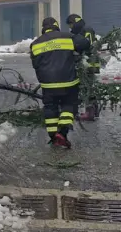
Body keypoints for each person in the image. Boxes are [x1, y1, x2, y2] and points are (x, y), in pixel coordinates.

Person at [33, 16, 91, 148]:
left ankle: (54, 137)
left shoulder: (35, 43)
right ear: (56, 26)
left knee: (50, 108)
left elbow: (36, 65)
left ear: (44, 29)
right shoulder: (67, 36)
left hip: (48, 84)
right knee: (69, 104)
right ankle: (63, 132)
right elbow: (85, 44)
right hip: (68, 81)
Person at [67, 13, 102, 120]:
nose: (70, 28)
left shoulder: (86, 30)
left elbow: (88, 45)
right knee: (89, 86)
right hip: (87, 62)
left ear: (75, 22)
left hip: (88, 63)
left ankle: (90, 112)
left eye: (70, 25)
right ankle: (93, 110)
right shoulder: (83, 30)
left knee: (87, 86)